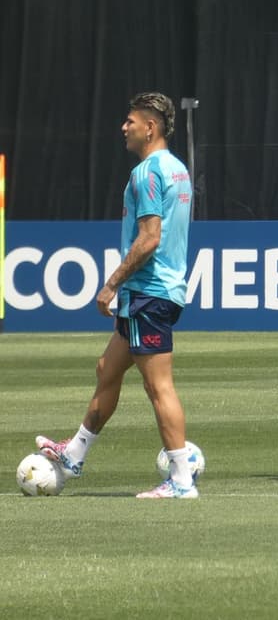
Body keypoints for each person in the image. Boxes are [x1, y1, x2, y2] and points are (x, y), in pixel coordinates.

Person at [35, 92, 198, 498]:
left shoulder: (147, 172)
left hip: (149, 291)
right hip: (155, 291)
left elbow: (150, 238)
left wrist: (111, 284)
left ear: (150, 127)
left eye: (130, 121)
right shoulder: (177, 168)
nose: (124, 128)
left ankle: (181, 479)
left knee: (158, 387)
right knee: (107, 368)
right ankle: (74, 454)